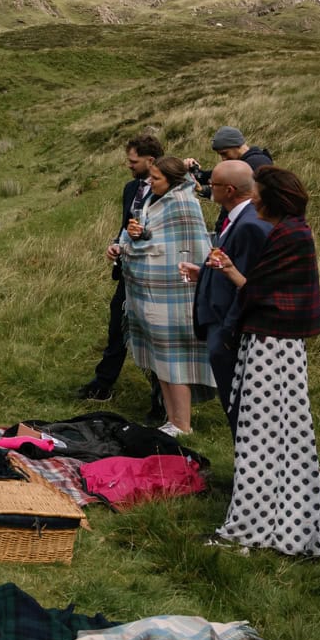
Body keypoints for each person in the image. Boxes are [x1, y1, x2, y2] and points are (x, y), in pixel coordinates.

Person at [205, 165, 320, 556]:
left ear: (273, 199)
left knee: (260, 436)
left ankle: (252, 526)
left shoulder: (290, 235)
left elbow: (261, 292)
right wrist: (232, 271)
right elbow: (261, 288)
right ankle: (280, 519)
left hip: (272, 348)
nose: (254, 200)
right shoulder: (291, 231)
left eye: (259, 194)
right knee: (278, 435)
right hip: (275, 344)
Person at [117, 155, 212, 436]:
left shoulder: (183, 205)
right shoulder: (155, 201)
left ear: (172, 180)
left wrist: (134, 245)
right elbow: (157, 239)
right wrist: (137, 235)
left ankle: (182, 424)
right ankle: (173, 420)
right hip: (152, 294)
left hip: (175, 295)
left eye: (156, 178)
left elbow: (182, 247)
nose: (151, 182)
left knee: (174, 360)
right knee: (161, 360)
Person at [84, 132, 166, 419]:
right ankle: (102, 384)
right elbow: (125, 226)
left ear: (150, 160)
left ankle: (162, 402)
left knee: (155, 337)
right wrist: (116, 245)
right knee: (117, 326)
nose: (129, 165)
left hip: (155, 275)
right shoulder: (131, 188)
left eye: (133, 161)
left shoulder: (167, 190)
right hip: (128, 271)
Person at [190, 160, 272, 434]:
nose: (207, 187)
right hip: (223, 325)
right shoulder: (238, 218)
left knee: (242, 408)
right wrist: (204, 273)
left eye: (212, 184)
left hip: (231, 330)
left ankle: (251, 458)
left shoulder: (250, 225)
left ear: (229, 190)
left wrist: (227, 334)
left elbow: (249, 284)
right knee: (235, 405)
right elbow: (231, 267)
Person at [186, 127, 273, 225]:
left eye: (224, 153)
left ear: (236, 145)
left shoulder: (256, 163)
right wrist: (193, 170)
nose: (223, 158)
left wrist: (203, 190)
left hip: (242, 225)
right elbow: (213, 177)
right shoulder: (245, 162)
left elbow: (236, 194)